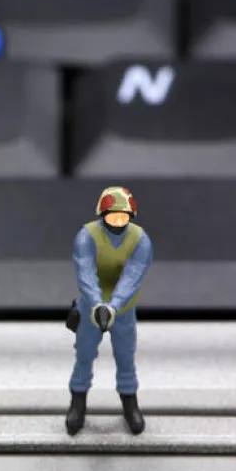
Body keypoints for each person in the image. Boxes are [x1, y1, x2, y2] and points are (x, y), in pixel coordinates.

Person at [66, 186, 153, 436]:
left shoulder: (140, 240)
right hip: (90, 307)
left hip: (123, 310)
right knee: (84, 356)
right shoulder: (87, 236)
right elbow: (85, 273)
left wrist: (114, 306)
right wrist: (97, 304)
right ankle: (78, 403)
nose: (118, 222)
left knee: (125, 357)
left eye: (123, 217)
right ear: (102, 214)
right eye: (112, 217)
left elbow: (132, 276)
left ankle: (130, 403)